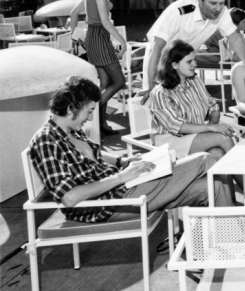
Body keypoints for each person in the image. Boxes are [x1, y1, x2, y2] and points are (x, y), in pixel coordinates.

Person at [28, 76, 232, 226]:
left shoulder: (72, 130)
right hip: (109, 204)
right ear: (72, 108)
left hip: (125, 189)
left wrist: (124, 161)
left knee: (212, 187)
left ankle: (226, 245)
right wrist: (121, 177)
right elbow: (69, 198)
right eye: (89, 112)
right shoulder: (46, 141)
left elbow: (95, 156)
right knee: (204, 159)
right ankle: (236, 231)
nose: (90, 118)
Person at [141, 0, 245, 96]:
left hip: (184, 66)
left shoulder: (222, 12)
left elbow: (235, 38)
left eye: (221, 3)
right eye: (213, 3)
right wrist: (151, 84)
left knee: (190, 110)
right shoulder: (179, 12)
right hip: (159, 64)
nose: (218, 8)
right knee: (158, 108)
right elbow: (156, 47)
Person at [149, 40, 236, 161]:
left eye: (194, 60)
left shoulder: (196, 82)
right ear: (175, 65)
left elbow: (213, 107)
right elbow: (177, 126)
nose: (194, 64)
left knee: (217, 153)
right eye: (189, 61)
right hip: (170, 142)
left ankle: (233, 180)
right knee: (223, 138)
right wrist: (209, 128)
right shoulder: (160, 93)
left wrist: (212, 123)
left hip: (195, 136)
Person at [68, 0, 128, 136]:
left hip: (92, 38)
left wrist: (74, 35)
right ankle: (92, 108)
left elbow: (73, 13)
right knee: (119, 81)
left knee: (105, 83)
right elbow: (106, 22)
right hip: (100, 37)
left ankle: (102, 125)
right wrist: (122, 41)